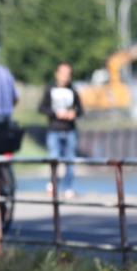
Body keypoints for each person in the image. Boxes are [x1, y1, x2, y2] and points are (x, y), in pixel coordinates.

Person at [38, 62, 83, 199]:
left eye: (68, 74)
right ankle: (53, 184)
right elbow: (41, 108)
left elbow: (80, 110)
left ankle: (68, 188)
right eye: (63, 73)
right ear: (57, 74)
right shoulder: (50, 89)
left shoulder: (73, 90)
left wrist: (74, 114)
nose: (65, 76)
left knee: (70, 160)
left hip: (70, 130)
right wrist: (56, 114)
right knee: (54, 158)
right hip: (54, 129)